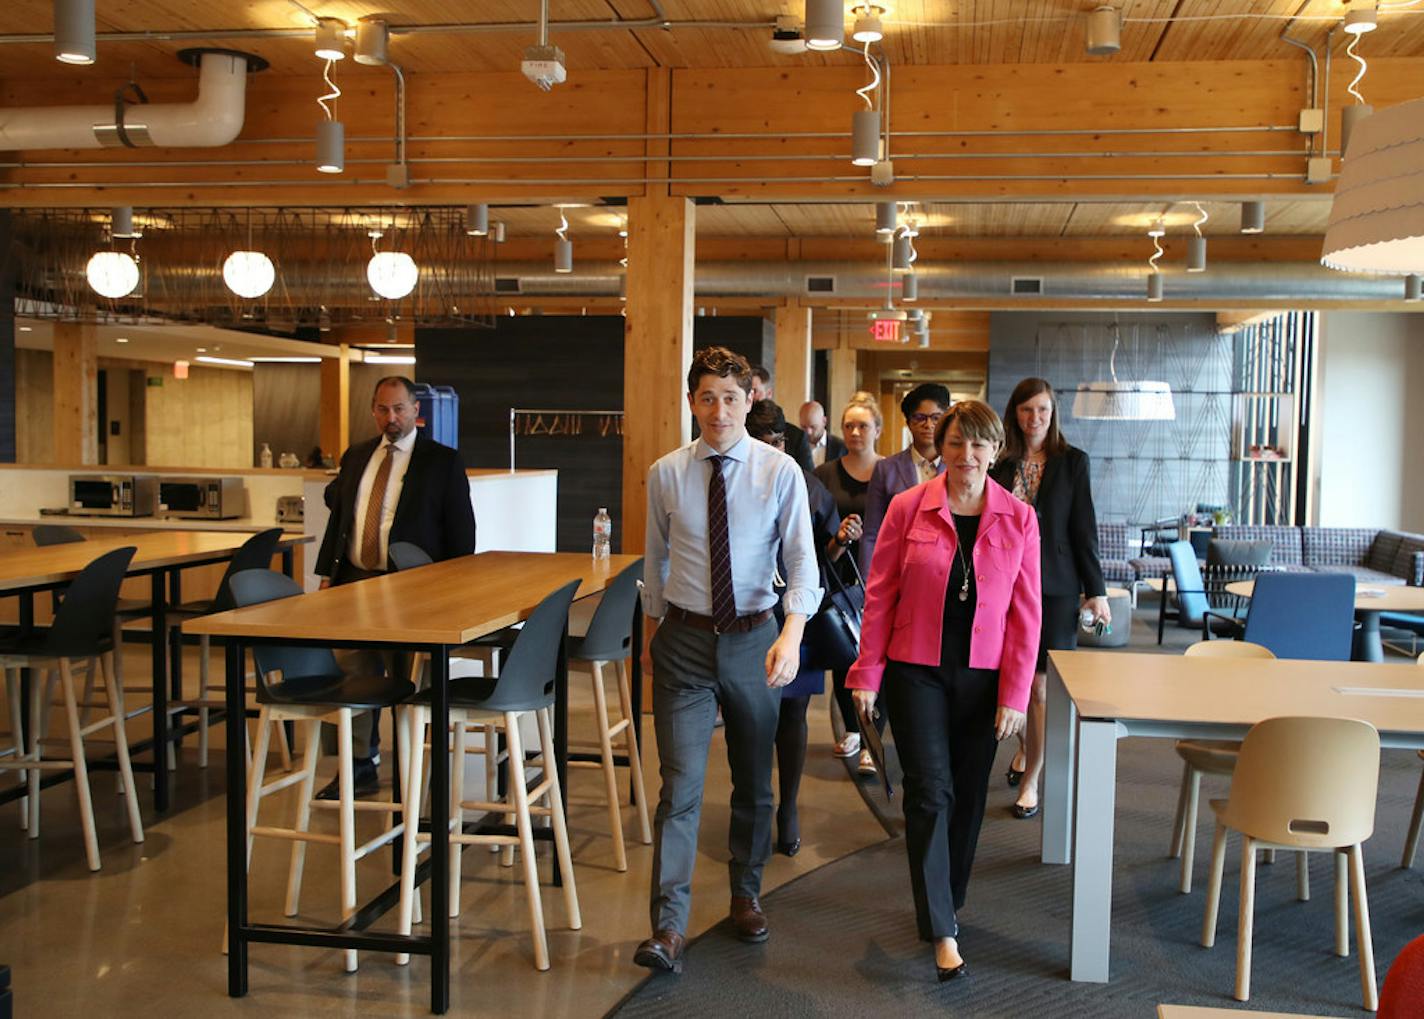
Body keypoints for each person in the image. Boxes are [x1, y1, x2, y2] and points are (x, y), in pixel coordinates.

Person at [635, 347, 821, 975]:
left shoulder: (780, 472)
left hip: (754, 638)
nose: (719, 410)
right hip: (684, 642)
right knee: (679, 788)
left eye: (731, 398)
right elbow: (654, 565)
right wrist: (651, 642)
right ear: (692, 402)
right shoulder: (666, 473)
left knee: (752, 781)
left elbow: (802, 564)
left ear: (751, 403)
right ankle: (667, 925)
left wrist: (791, 634)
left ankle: (746, 893)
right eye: (707, 397)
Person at [848, 399, 1041, 982]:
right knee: (929, 792)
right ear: (942, 447)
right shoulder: (909, 508)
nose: (966, 455)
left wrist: (1016, 693)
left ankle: (946, 899)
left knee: (967, 795)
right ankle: (943, 928)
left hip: (983, 678)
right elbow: (879, 595)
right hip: (917, 670)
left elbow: (1025, 615)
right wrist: (866, 672)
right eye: (956, 443)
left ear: (995, 451)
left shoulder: (1019, 519)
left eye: (979, 445)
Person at [313, 375, 476, 797]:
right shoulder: (357, 456)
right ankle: (360, 764)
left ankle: (410, 765)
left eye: (400, 409)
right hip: (354, 585)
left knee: (408, 680)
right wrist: (327, 576)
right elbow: (341, 518)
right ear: (373, 411)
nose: (392, 417)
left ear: (416, 411)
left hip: (410, 593)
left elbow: (462, 536)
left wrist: (453, 594)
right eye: (384, 409)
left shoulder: (442, 462)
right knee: (354, 676)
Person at [990, 378, 1109, 820]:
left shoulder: (1073, 462)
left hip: (1056, 589)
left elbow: (1084, 527)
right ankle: (1027, 747)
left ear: (1052, 413)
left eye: (1042, 410)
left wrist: (1095, 590)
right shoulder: (999, 464)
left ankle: (1032, 778)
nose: (1034, 418)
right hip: (1003, 586)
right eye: (1026, 410)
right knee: (1007, 683)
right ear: (1014, 414)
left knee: (1039, 687)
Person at [745, 399, 844, 858]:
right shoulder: (732, 479)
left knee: (793, 714)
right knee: (752, 718)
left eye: (778, 441)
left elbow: (826, 550)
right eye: (762, 441)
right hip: (747, 614)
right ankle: (758, 806)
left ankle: (788, 808)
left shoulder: (806, 483)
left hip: (796, 613)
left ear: (786, 442)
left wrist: (843, 540)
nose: (771, 449)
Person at [813, 392, 884, 774]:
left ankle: (873, 739)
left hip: (881, 575)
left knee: (878, 656)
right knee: (845, 653)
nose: (856, 432)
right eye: (849, 426)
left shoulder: (890, 472)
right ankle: (854, 729)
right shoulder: (825, 474)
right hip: (840, 574)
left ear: (878, 429)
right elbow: (814, 533)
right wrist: (840, 538)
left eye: (863, 425)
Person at [860, 382, 953, 578]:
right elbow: (871, 533)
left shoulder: (957, 467)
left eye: (936, 418)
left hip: (946, 571)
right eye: (920, 417)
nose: (928, 425)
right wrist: (867, 584)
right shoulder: (886, 469)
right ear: (909, 422)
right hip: (898, 569)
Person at [750, 365, 814, 471]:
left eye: (754, 392)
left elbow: (809, 481)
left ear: (769, 393)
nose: (749, 397)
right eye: (746, 392)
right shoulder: (735, 433)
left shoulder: (796, 437)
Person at [799, 400, 846, 468]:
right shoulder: (794, 446)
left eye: (813, 427)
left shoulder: (840, 447)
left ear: (824, 421)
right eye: (803, 427)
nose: (808, 432)